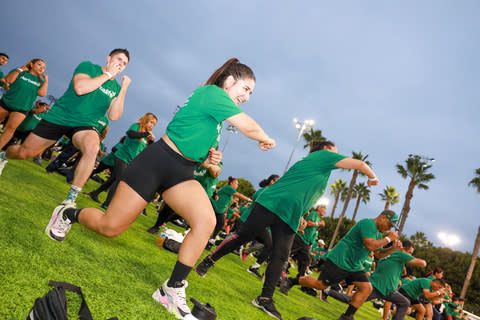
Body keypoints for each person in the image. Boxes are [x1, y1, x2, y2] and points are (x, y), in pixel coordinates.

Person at [43, 58, 275, 319]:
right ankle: (67, 214)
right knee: (110, 227)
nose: (247, 97)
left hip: (183, 173)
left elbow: (198, 149)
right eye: (245, 89)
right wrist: (265, 138)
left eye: (250, 93)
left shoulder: (218, 119)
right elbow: (247, 124)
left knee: (207, 221)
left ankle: (172, 289)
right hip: (156, 162)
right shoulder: (211, 93)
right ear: (230, 81)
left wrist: (210, 159)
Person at [196, 140, 379, 320]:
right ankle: (209, 260)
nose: (337, 155)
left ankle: (265, 299)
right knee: (243, 236)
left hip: (289, 215)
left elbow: (299, 192)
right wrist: (372, 176)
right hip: (272, 203)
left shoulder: (318, 170)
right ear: (325, 150)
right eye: (334, 151)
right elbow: (360, 164)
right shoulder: (322, 156)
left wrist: (300, 216)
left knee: (281, 256)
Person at [3, 48, 131, 207]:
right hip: (60, 117)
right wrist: (107, 75)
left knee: (92, 147)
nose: (120, 64)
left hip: (85, 124)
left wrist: (124, 88)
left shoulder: (116, 89)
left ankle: (70, 200)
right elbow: (81, 88)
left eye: (124, 63)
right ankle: (3, 156)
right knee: (24, 152)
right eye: (118, 59)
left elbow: (114, 115)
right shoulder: (88, 67)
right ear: (109, 58)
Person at [280, 209, 400, 320]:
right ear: (383, 218)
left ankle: (347, 317)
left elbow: (378, 254)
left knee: (366, 288)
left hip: (355, 265)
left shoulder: (378, 234)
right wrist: (389, 239)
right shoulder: (368, 224)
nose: (389, 229)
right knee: (320, 285)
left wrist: (392, 249)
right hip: (340, 259)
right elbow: (370, 245)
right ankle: (290, 281)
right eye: (389, 225)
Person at [324, 240, 427, 320]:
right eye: (409, 252)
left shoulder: (389, 254)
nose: (410, 255)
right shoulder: (400, 254)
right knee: (351, 300)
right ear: (403, 249)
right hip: (377, 288)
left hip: (387, 290)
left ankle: (328, 292)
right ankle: (327, 291)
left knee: (405, 302)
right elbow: (423, 264)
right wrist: (409, 258)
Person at [0, 58, 48, 174]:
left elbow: (42, 93)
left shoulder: (39, 81)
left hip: (22, 108)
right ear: (31, 64)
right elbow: (8, 80)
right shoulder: (21, 72)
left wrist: (46, 81)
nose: (42, 68)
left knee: (10, 130)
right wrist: (20, 69)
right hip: (7, 103)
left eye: (44, 67)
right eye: (39, 65)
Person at [101, 112, 157, 208]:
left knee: (114, 179)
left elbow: (147, 150)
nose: (152, 125)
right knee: (120, 180)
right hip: (122, 156)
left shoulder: (147, 136)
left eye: (154, 124)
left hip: (130, 161)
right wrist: (145, 133)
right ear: (146, 120)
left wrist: (151, 141)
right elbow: (130, 134)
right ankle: (107, 204)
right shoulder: (137, 126)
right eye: (151, 122)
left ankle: (95, 193)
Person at [208, 176, 253, 246]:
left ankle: (211, 241)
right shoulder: (228, 187)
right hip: (213, 206)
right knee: (210, 222)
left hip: (220, 211)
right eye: (236, 183)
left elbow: (227, 206)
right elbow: (239, 194)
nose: (237, 185)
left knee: (220, 224)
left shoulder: (231, 196)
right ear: (231, 183)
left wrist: (225, 214)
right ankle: (192, 230)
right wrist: (249, 200)